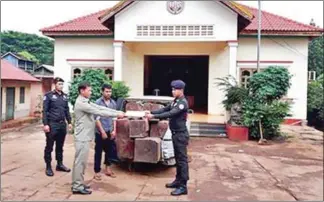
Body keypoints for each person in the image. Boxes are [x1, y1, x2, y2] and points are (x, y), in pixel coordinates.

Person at [72, 81, 125, 195]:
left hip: (85, 136)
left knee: (82, 162)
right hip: (82, 137)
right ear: (82, 91)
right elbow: (99, 111)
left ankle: (79, 183)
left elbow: (100, 108)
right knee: (80, 162)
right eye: (89, 90)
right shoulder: (81, 103)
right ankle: (77, 186)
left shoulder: (86, 101)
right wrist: (117, 114)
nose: (91, 92)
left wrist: (117, 112)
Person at [145, 80, 189, 196]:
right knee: (178, 160)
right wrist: (151, 111)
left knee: (182, 161)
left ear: (181, 90)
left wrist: (154, 116)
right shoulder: (175, 101)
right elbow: (165, 109)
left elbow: (171, 114)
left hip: (180, 134)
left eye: (175, 89)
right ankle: (178, 180)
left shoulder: (182, 103)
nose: (173, 91)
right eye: (172, 89)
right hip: (175, 133)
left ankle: (183, 186)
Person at [43, 77, 72, 177]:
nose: (61, 86)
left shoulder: (64, 96)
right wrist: (46, 124)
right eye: (59, 84)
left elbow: (66, 110)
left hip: (61, 124)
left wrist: (70, 122)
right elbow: (45, 111)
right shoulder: (49, 96)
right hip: (52, 124)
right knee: (49, 146)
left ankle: (59, 164)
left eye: (62, 84)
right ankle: (48, 166)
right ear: (54, 84)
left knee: (60, 146)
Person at [93, 84, 119, 180]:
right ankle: (97, 171)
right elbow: (96, 118)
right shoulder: (98, 103)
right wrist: (102, 132)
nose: (109, 93)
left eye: (110, 91)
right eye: (107, 91)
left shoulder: (113, 103)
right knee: (98, 152)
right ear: (102, 92)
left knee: (109, 151)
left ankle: (108, 169)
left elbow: (114, 117)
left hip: (110, 130)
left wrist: (114, 130)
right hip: (100, 131)